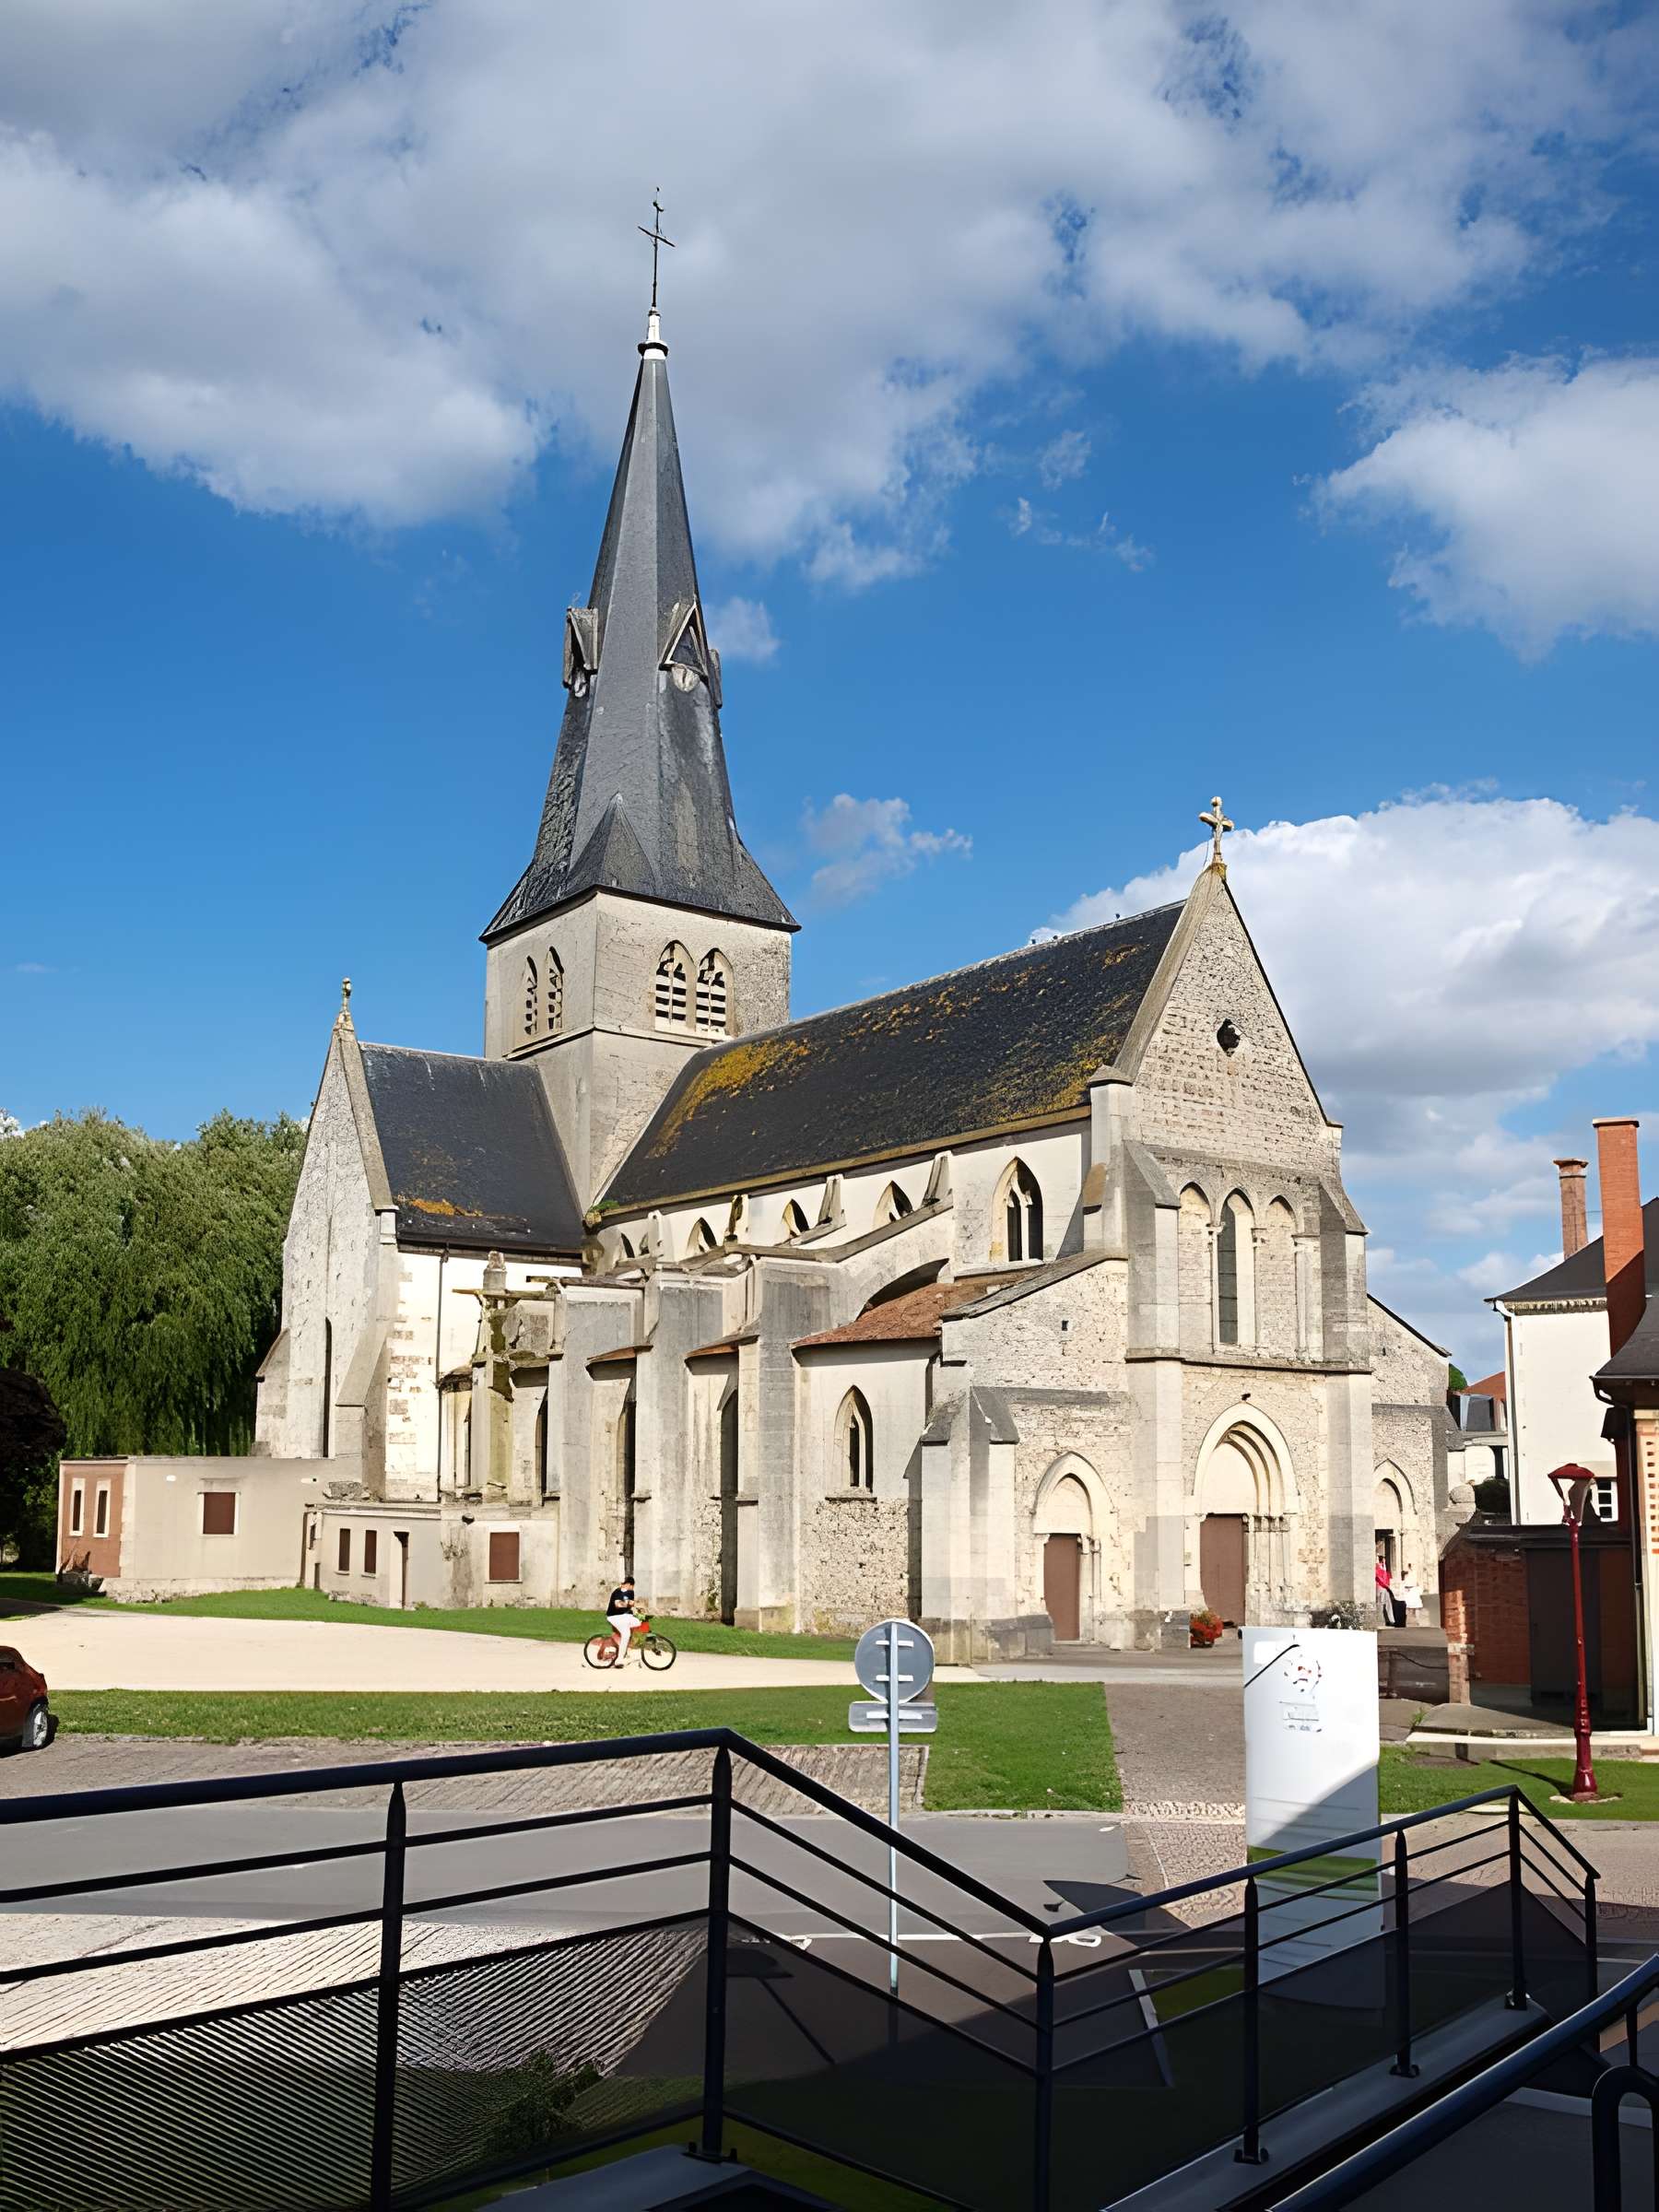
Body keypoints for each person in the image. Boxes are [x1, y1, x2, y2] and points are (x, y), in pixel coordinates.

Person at [605, 1577, 644, 1665]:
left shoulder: (631, 1592)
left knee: (638, 1622)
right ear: (629, 1584)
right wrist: (629, 1603)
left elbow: (631, 1605)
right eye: (632, 1586)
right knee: (626, 1634)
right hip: (614, 1616)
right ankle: (619, 1659)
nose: (632, 1589)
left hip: (624, 1616)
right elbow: (617, 1604)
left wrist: (638, 1610)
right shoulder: (617, 1591)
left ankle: (625, 1646)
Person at [1374, 1554, 1394, 1626]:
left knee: (1385, 1603)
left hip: (1384, 1587)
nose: (1385, 1561)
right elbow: (1379, 1578)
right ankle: (1381, 1620)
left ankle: (1387, 1619)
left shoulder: (1383, 1567)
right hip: (1381, 1587)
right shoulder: (1378, 1567)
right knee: (1381, 1603)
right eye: (1384, 1560)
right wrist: (1386, 1586)